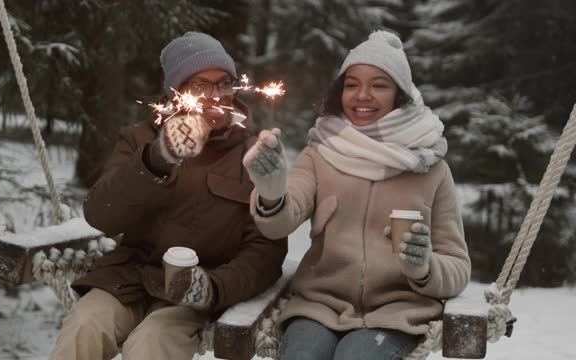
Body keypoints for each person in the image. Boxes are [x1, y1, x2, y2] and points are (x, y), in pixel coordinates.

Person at [50, 31, 287, 360]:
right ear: (176, 92)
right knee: (84, 327)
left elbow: (266, 251)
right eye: (200, 85)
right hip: (127, 279)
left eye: (224, 82)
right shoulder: (139, 140)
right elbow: (100, 214)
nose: (215, 95)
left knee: (152, 344)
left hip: (191, 295)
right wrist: (156, 159)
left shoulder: (251, 155)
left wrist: (214, 286)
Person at [242, 30, 470, 360]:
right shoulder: (320, 153)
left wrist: (424, 268)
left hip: (397, 313)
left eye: (379, 85)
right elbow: (278, 225)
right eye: (351, 84)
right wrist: (272, 191)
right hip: (318, 306)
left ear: (400, 94)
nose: (362, 96)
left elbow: (457, 267)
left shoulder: (430, 167)